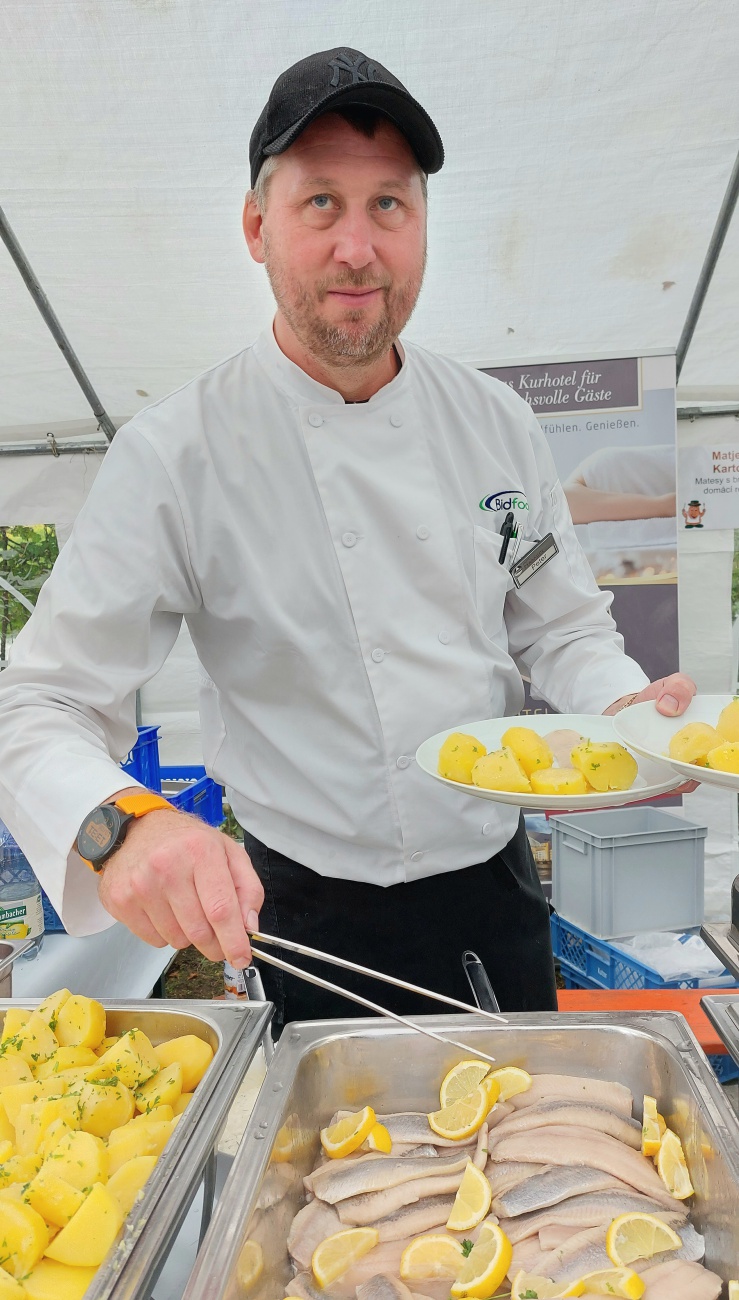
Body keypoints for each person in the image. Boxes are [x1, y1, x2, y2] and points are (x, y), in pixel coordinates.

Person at [0, 48, 696, 1031]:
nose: (358, 249)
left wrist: (625, 706)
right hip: (304, 912)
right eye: (320, 203)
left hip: (491, 888)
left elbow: (561, 628)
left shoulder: (497, 421)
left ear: (422, 226)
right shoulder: (176, 454)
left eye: (389, 206)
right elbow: (42, 700)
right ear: (256, 227)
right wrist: (122, 828)